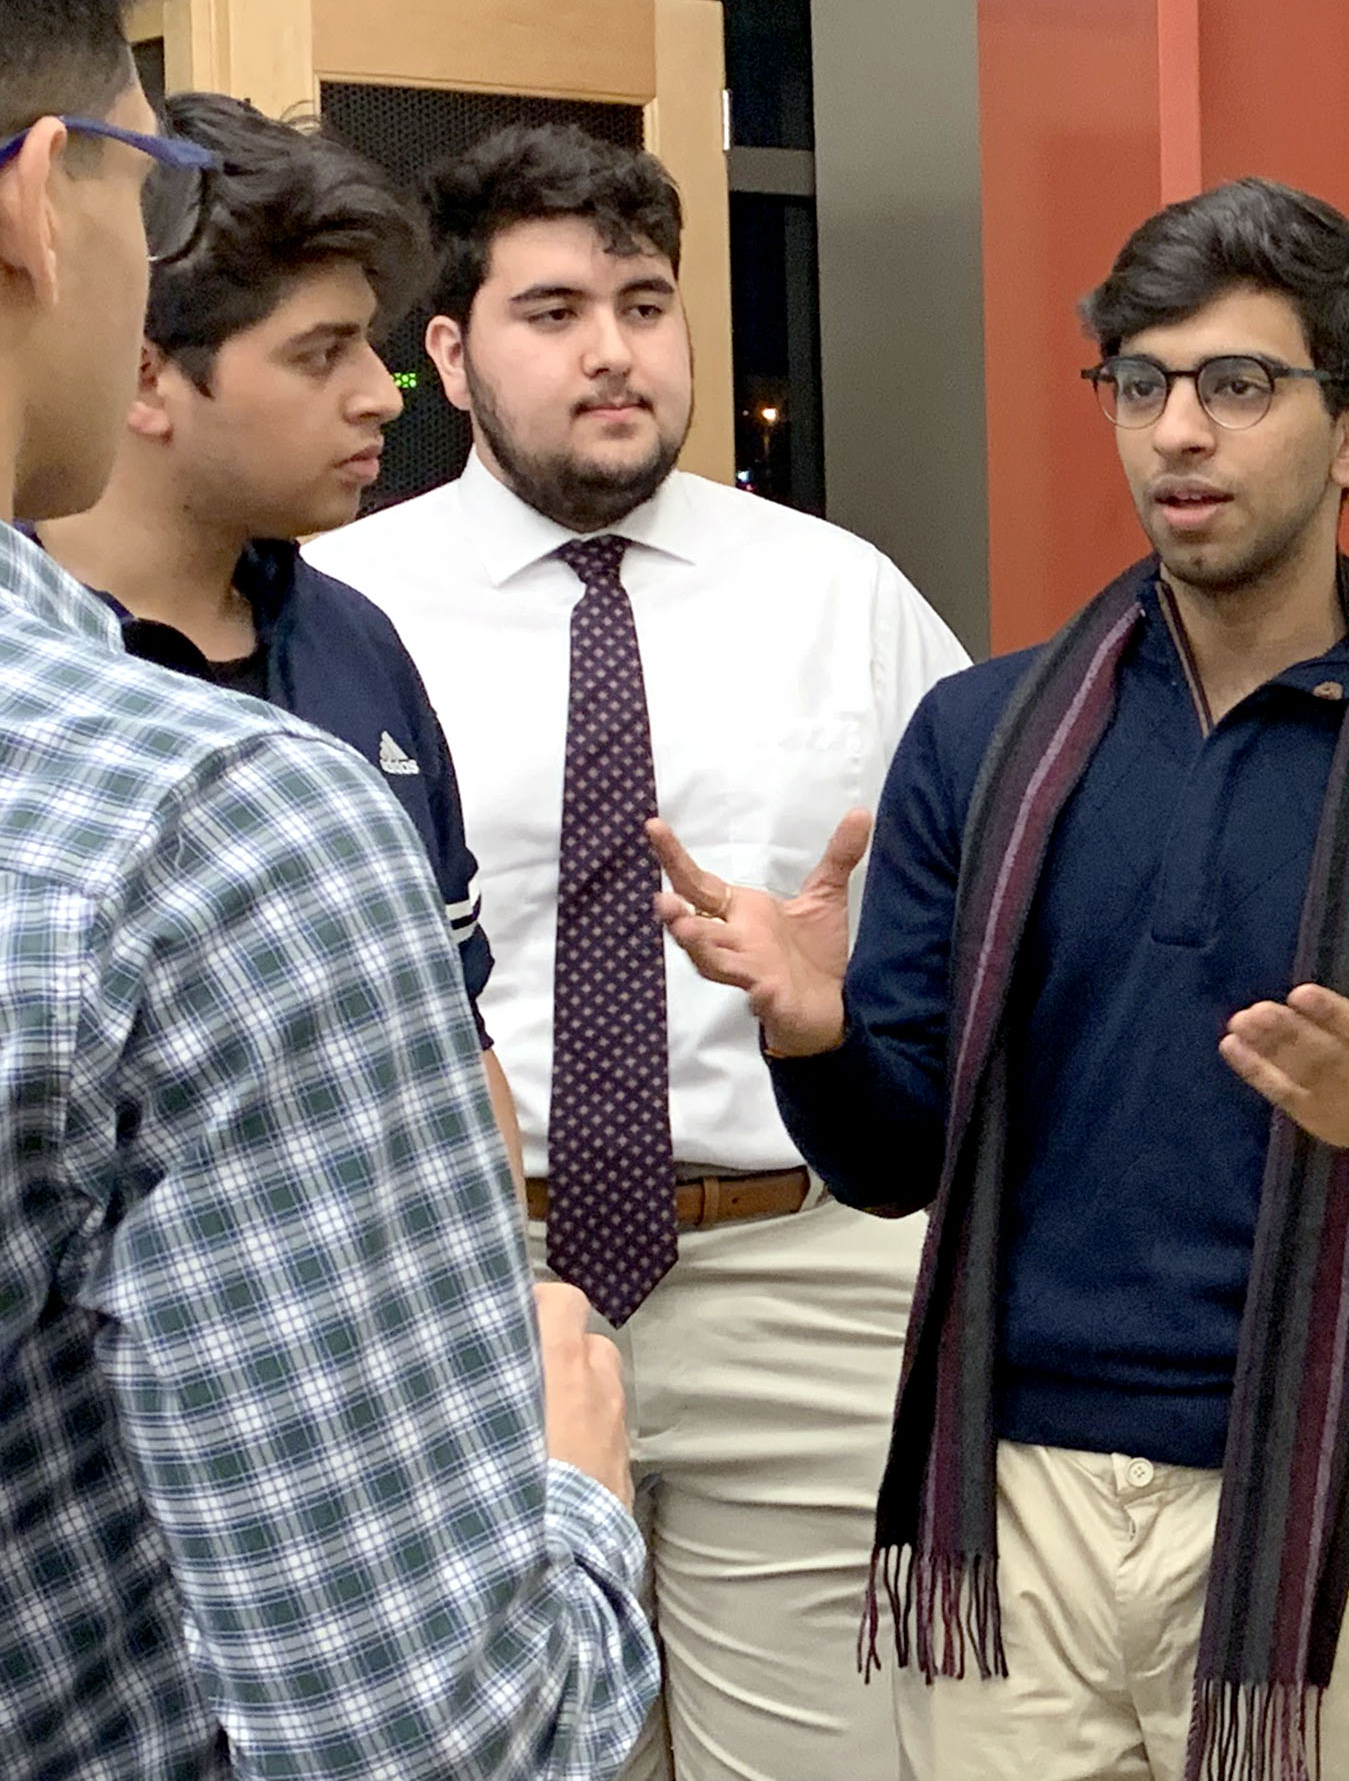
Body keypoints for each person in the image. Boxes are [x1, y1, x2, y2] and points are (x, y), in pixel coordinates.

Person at [649, 177, 1349, 1781]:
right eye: (1140, 383)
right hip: (1010, 1497)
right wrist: (817, 1037)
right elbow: (894, 1165)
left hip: (1336, 1507)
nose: (1178, 433)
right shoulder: (982, 741)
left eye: (1238, 385)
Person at [0, 0, 653, 1777]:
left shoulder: (346, 664)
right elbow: (431, 1739)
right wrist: (566, 1492)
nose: (378, 395)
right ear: (40, 203)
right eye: (151, 173)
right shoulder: (205, 836)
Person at [307, 122, 973, 1781]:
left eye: (646, 300)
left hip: (800, 1271)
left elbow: (980, 937)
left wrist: (872, 1003)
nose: (614, 349)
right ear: (450, 353)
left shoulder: (845, 595)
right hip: (468, 1285)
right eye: (551, 311)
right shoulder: (333, 610)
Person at [33, 89, 522, 1175]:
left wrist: (512, 1296)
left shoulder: (358, 647)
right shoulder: (34, 679)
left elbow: (453, 1036)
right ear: (147, 375)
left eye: (372, 345)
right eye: (320, 353)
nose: (380, 397)